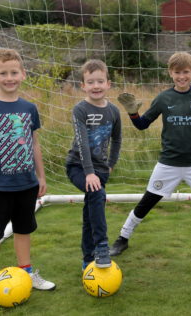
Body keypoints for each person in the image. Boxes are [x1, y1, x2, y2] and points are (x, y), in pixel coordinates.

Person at [109, 51, 191, 257]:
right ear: (171, 73)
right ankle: (122, 239)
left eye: (186, 72)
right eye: (177, 72)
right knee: (147, 202)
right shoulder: (163, 98)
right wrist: (133, 113)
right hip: (168, 163)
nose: (182, 76)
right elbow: (142, 125)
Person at [0, 48, 55, 311]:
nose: (9, 77)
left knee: (23, 229)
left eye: (14, 72)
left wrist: (40, 176)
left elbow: (34, 144)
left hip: (26, 184)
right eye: (3, 73)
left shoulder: (29, 108)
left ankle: (26, 272)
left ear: (23, 74)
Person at [65, 59, 122, 271]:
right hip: (78, 167)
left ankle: (87, 258)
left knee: (91, 211)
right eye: (91, 82)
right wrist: (89, 173)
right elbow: (82, 143)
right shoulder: (80, 110)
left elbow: (117, 139)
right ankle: (101, 246)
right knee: (97, 195)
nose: (96, 86)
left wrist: (111, 164)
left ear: (108, 83)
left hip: (101, 169)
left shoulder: (114, 111)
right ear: (83, 85)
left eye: (100, 81)